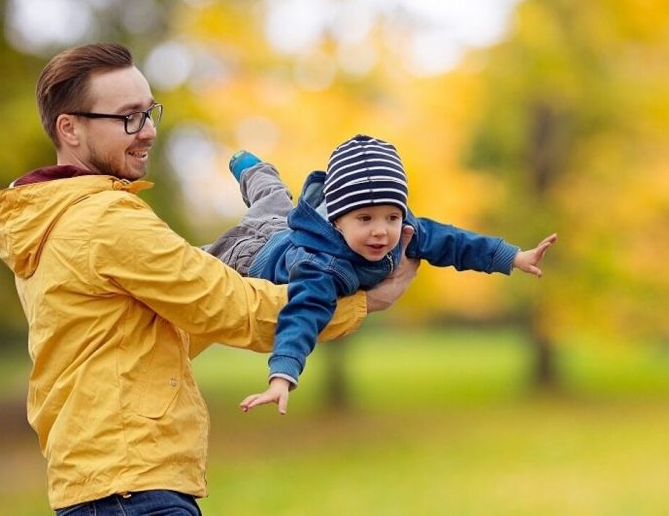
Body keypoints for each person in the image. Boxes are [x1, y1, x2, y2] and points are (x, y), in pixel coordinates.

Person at [0, 43, 418, 516]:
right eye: (128, 117)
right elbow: (232, 307)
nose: (149, 131)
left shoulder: (53, 219)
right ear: (69, 127)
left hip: (109, 482)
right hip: (132, 489)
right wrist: (364, 302)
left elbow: (169, 328)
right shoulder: (103, 222)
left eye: (149, 112)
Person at [205, 134, 557, 415]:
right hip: (253, 256)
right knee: (228, 241)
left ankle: (254, 170)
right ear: (336, 219)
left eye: (391, 216)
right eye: (365, 219)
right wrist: (282, 375)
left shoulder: (403, 232)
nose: (381, 232)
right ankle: (251, 168)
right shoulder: (322, 266)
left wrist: (513, 257)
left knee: (275, 202)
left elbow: (455, 242)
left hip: (289, 229)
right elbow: (301, 316)